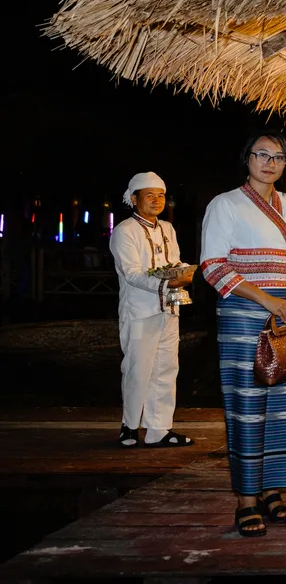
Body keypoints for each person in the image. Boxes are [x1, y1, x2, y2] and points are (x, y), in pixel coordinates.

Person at [201, 131, 286, 538]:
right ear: (246, 158)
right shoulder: (225, 204)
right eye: (261, 155)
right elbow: (213, 266)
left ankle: (273, 490)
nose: (269, 163)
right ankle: (245, 500)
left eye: (278, 157)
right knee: (246, 404)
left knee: (284, 405)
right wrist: (270, 300)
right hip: (246, 313)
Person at [110, 172, 195, 448]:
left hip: (170, 309)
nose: (157, 201)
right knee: (138, 369)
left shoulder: (167, 228)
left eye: (160, 195)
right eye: (150, 195)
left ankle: (159, 429)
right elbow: (132, 273)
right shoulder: (125, 231)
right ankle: (130, 426)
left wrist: (186, 270)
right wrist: (170, 279)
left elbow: (174, 260)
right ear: (134, 199)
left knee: (166, 369)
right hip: (140, 311)